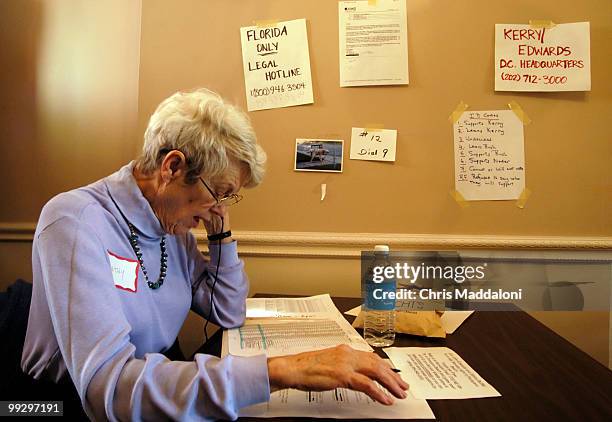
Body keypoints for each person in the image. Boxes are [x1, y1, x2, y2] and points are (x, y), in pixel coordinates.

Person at [21, 88, 408, 421]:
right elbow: (109, 394)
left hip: (150, 381)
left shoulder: (170, 223)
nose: (220, 206)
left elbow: (227, 311)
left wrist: (220, 235)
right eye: (219, 192)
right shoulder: (74, 221)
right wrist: (283, 370)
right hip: (62, 404)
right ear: (173, 167)